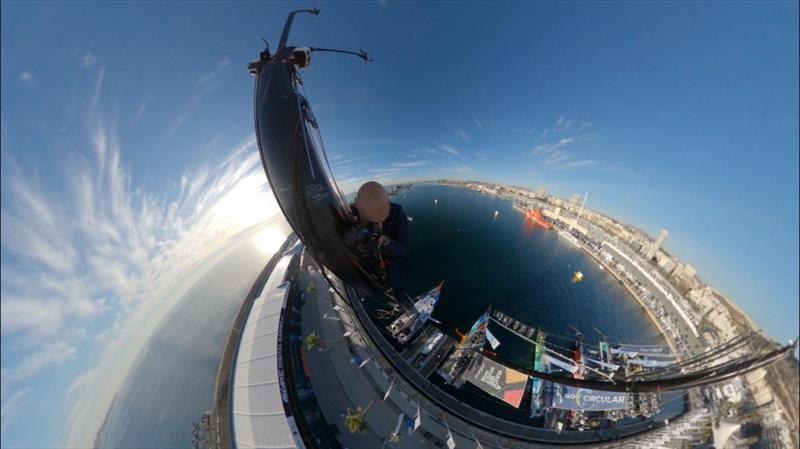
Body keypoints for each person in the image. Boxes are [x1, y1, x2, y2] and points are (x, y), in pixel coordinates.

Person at [346, 181, 410, 302]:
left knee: (394, 278)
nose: (379, 226)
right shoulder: (354, 211)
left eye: (382, 220)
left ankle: (398, 298)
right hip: (368, 258)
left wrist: (387, 242)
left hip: (389, 257)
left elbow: (405, 249)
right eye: (372, 222)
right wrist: (356, 235)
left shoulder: (397, 215)